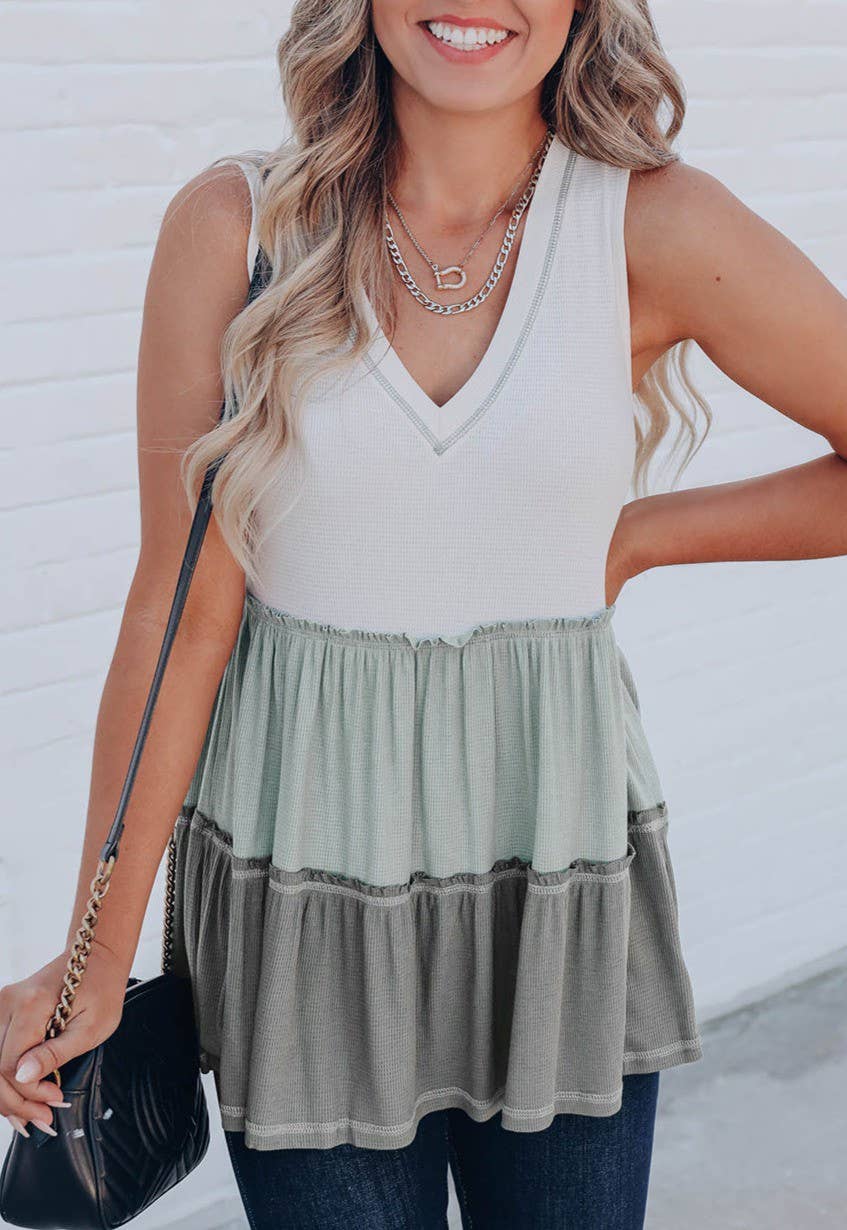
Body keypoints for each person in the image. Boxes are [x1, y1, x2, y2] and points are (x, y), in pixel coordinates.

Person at [2, 2, 846, 1227]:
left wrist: (637, 539)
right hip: (305, 908)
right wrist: (95, 960)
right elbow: (179, 616)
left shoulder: (650, 226)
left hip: (551, 886)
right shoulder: (241, 229)